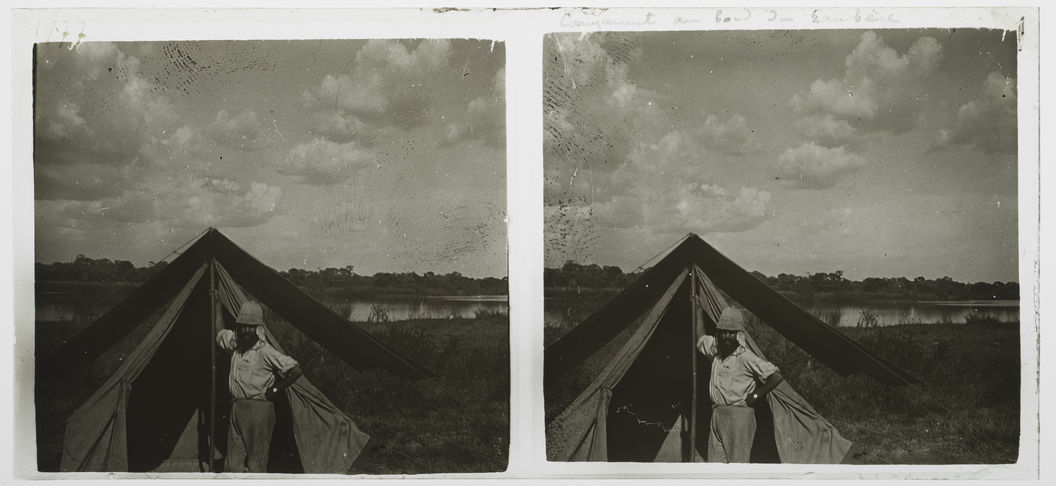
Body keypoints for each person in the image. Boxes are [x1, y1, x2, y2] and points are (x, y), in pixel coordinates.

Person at [216, 301, 304, 473]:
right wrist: (217, 306)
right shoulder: (235, 346)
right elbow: (219, 333)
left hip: (259, 411)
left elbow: (296, 369)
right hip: (237, 408)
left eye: (251, 327)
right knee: (233, 464)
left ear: (258, 329)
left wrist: (275, 390)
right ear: (238, 327)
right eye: (243, 326)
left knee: (257, 461)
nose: (247, 331)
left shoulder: (265, 351)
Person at [696, 307, 784, 463]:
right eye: (723, 332)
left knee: (738, 465)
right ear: (719, 333)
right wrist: (698, 311)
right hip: (717, 414)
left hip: (739, 417)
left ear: (739, 335)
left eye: (731, 332)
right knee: (714, 466)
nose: (727, 336)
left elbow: (775, 376)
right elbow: (701, 338)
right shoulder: (717, 352)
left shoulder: (745, 357)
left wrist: (756, 395)